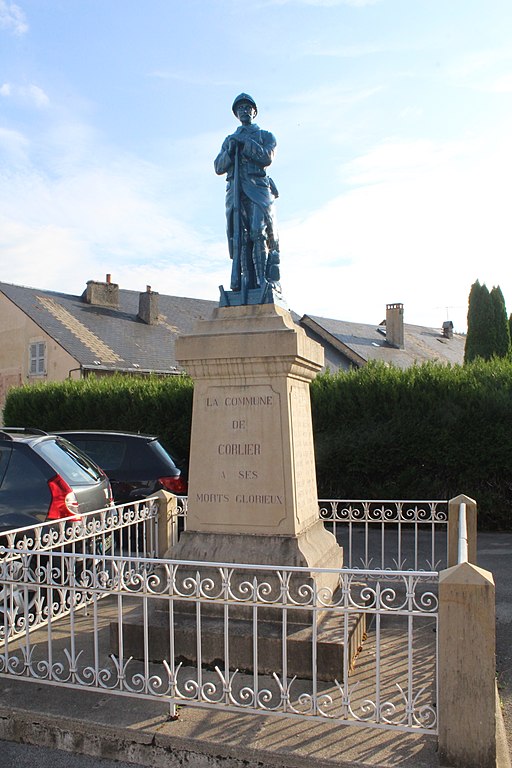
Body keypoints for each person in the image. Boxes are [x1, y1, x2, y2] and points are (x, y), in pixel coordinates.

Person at [214, 93, 280, 301]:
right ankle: (244, 280)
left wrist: (245, 142)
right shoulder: (229, 140)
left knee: (257, 232)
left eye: (247, 107)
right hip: (235, 191)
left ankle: (262, 279)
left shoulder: (265, 136)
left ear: (254, 111)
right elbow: (218, 166)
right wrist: (231, 149)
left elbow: (266, 157)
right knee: (239, 238)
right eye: (240, 108)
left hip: (258, 188)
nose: (244, 111)